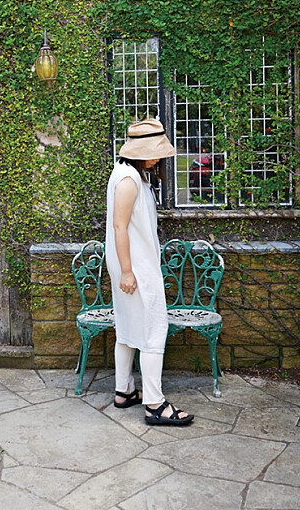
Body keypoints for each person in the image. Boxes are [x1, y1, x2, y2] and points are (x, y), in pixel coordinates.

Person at [106, 118, 194, 426]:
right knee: (154, 330)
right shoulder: (129, 180)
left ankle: (124, 391)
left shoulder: (128, 173)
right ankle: (155, 404)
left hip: (131, 264)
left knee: (127, 327)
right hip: (136, 266)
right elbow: (119, 227)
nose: (158, 158)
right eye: (153, 152)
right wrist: (127, 272)